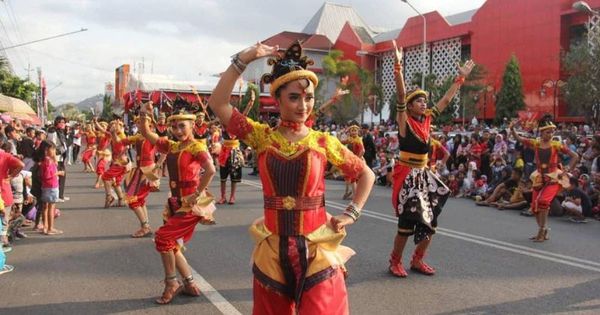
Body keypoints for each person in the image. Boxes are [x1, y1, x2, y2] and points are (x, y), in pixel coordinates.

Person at [209, 41, 374, 315]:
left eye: (309, 97)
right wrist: (245, 58)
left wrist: (352, 212)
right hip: (273, 251)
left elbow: (365, 173)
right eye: (295, 97)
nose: (304, 105)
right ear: (278, 98)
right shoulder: (261, 137)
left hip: (317, 248)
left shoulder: (323, 141)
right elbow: (218, 103)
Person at [389, 41, 474, 278]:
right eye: (419, 100)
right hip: (407, 176)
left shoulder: (426, 120)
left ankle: (417, 260)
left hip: (425, 175)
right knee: (406, 225)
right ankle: (395, 261)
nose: (423, 103)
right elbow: (400, 93)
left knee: (430, 221)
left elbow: (445, 101)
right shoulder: (404, 120)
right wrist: (398, 67)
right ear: (409, 105)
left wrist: (460, 79)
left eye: (425, 100)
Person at [138, 101, 216, 305]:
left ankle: (171, 282)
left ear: (192, 127)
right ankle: (189, 283)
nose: (177, 130)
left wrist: (197, 193)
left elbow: (211, 170)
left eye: (182, 126)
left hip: (190, 204)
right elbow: (147, 134)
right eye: (174, 126)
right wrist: (144, 114)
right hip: (175, 202)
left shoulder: (197, 146)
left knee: (163, 238)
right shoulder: (172, 146)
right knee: (170, 243)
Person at [510, 115, 579, 242]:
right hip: (539, 177)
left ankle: (541, 231)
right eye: (548, 132)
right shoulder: (535, 143)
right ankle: (543, 229)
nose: (551, 134)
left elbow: (575, 156)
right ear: (541, 132)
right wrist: (512, 129)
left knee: (543, 202)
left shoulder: (556, 145)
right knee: (535, 207)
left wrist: (568, 168)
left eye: (552, 131)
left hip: (553, 177)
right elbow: (519, 138)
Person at [119, 116, 160, 237]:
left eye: (142, 122)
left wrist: (157, 167)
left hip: (148, 171)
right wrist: (119, 130)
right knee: (139, 200)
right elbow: (123, 141)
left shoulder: (153, 136)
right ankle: (145, 225)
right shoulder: (138, 137)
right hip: (139, 171)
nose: (139, 125)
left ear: (150, 124)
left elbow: (164, 151)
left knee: (132, 200)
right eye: (137, 123)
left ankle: (145, 226)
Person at [98, 119, 129, 208]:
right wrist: (96, 122)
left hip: (120, 163)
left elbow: (125, 148)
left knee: (105, 177)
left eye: (114, 125)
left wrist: (117, 158)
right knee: (116, 182)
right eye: (111, 125)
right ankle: (121, 199)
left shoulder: (121, 136)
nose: (111, 127)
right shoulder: (113, 135)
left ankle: (109, 196)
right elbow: (103, 130)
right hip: (119, 162)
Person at [37, 140, 64, 235]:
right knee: (51, 207)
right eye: (52, 149)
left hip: (45, 186)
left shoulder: (44, 160)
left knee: (45, 207)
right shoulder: (49, 161)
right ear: (47, 150)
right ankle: (50, 228)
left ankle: (45, 227)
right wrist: (59, 173)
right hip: (51, 185)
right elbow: (48, 175)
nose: (54, 151)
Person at [46, 116, 68, 202]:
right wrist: (54, 157)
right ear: (56, 123)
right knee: (56, 177)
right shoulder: (53, 131)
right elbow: (52, 146)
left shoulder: (61, 132)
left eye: (64, 122)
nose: (63, 124)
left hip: (61, 157)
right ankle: (56, 196)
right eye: (61, 122)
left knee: (63, 176)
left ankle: (61, 195)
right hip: (55, 157)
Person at [341, 124, 364, 200]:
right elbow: (342, 142)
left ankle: (355, 195)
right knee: (347, 176)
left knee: (353, 178)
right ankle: (348, 192)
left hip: (356, 160)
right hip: (351, 160)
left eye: (355, 131)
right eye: (352, 131)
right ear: (350, 132)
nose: (354, 132)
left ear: (358, 132)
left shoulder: (358, 140)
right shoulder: (350, 139)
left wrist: (357, 159)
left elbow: (362, 151)